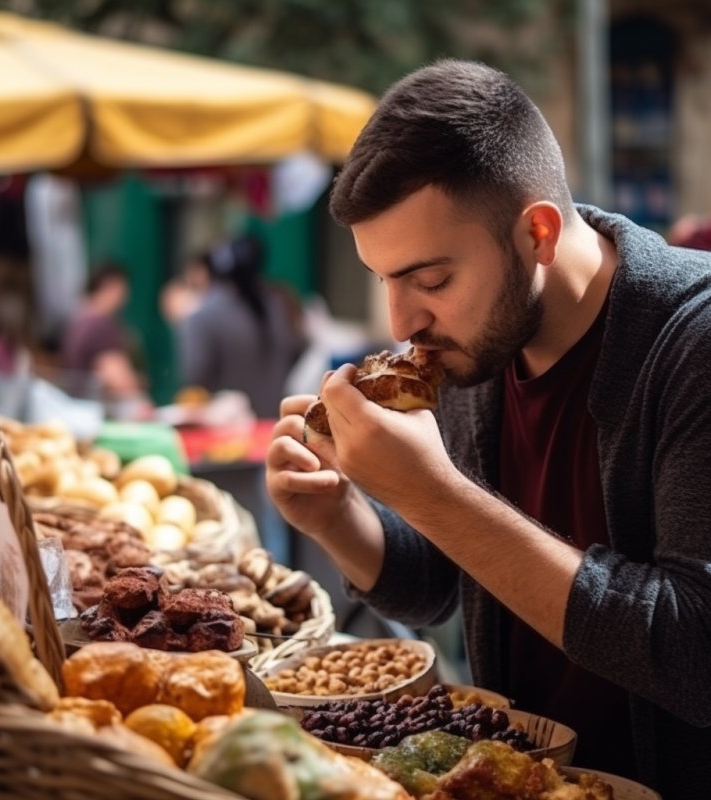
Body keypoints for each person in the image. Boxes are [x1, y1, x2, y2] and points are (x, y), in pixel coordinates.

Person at [265, 59, 711, 799]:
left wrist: (432, 493)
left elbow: (695, 652)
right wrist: (339, 514)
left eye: (430, 280)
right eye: (385, 280)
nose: (402, 322)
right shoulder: (481, 344)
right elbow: (447, 582)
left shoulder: (694, 345)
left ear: (537, 232)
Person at [162, 234, 306, 419]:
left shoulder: (205, 315)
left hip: (228, 427)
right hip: (275, 420)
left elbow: (194, 374)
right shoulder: (280, 304)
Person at [61, 262, 151, 416]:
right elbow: (120, 382)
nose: (127, 296)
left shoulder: (78, 320)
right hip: (99, 414)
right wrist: (139, 383)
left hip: (79, 410)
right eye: (124, 288)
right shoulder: (100, 324)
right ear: (112, 285)